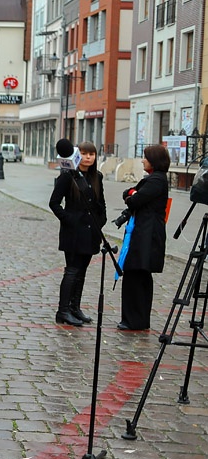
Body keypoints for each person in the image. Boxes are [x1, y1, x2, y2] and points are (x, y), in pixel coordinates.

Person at [48, 141, 107, 326]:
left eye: (92, 154)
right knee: (72, 271)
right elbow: (54, 203)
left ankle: (75, 307)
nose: (88, 157)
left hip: (91, 232)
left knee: (82, 271)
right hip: (73, 232)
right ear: (76, 155)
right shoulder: (68, 176)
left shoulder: (97, 176)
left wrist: (101, 221)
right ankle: (63, 310)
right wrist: (69, 220)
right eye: (84, 153)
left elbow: (101, 203)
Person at [117, 144, 170, 331]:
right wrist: (131, 193)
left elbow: (135, 199)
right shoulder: (153, 178)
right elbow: (128, 193)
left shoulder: (157, 180)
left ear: (154, 160)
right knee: (137, 274)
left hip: (147, 234)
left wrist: (132, 194)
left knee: (137, 273)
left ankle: (135, 320)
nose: (142, 160)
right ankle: (135, 319)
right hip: (143, 231)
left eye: (145, 157)